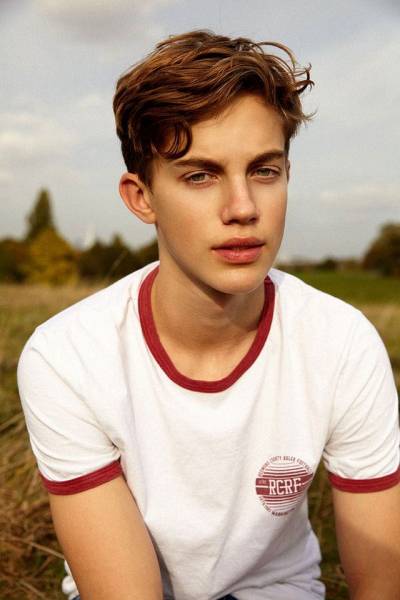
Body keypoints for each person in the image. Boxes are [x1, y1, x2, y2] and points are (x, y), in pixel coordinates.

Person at [17, 30, 400, 600]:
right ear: (141, 197)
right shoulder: (66, 357)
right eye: (200, 175)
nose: (243, 208)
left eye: (264, 171)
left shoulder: (343, 343)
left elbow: (383, 584)